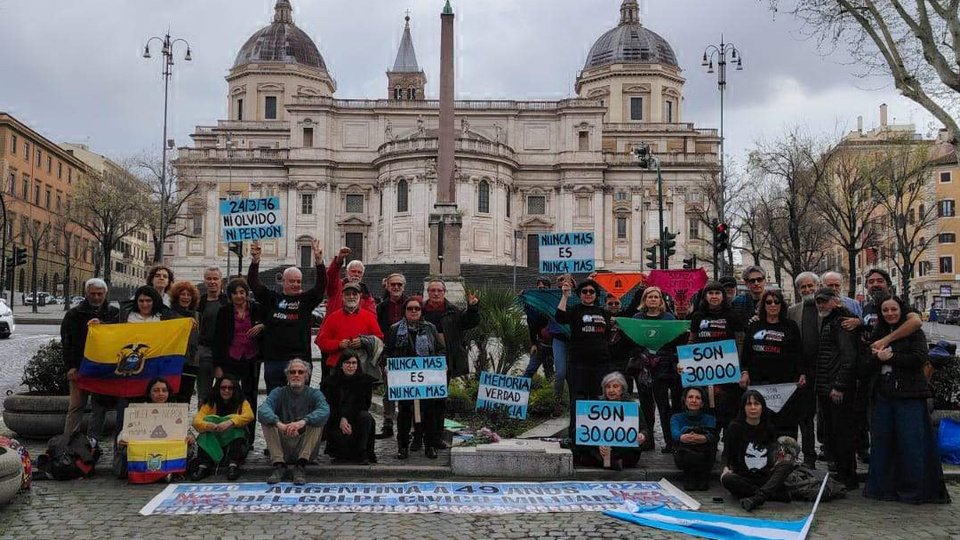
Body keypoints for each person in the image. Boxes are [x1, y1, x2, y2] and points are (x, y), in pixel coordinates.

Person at [864, 295, 950, 504]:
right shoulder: (878, 332)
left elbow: (920, 358)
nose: (890, 314)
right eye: (885, 310)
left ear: (901, 311)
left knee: (911, 443)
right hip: (883, 393)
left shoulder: (915, 333)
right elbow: (865, 364)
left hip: (909, 394)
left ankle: (913, 489)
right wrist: (876, 358)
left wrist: (892, 357)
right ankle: (883, 488)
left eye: (893, 309)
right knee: (883, 442)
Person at [248, 239, 326, 395]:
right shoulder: (272, 299)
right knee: (274, 401)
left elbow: (320, 288)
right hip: (274, 361)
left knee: (299, 402)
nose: (295, 285)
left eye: (298, 282)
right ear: (283, 281)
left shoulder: (305, 301)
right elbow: (254, 284)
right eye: (291, 281)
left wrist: (319, 262)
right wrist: (255, 262)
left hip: (299, 361)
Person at [421, 280, 480, 453]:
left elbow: (470, 322)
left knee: (439, 401)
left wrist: (473, 308)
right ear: (428, 292)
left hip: (444, 363)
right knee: (421, 402)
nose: (436, 293)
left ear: (444, 292)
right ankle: (419, 436)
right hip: (422, 362)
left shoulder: (452, 310)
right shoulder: (419, 309)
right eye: (432, 290)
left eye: (439, 290)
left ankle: (436, 437)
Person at [385, 296, 446, 459]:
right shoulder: (395, 329)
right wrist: (387, 365)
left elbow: (440, 350)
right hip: (404, 380)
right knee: (404, 414)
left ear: (421, 311)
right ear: (405, 311)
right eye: (410, 308)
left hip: (427, 380)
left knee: (429, 414)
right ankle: (403, 446)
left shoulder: (430, 328)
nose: (413, 311)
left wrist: (441, 364)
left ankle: (430, 445)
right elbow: (387, 351)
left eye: (417, 309)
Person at [740, 289, 805, 438]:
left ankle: (784, 455)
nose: (773, 305)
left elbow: (798, 352)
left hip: (784, 383)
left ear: (782, 305)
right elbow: (746, 353)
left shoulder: (790, 326)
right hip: (759, 381)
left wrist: (801, 373)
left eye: (777, 302)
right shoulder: (754, 326)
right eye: (769, 302)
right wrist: (744, 371)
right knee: (759, 419)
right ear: (764, 305)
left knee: (785, 421)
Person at [557, 279, 612, 448]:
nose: (588, 294)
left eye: (591, 291)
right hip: (578, 363)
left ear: (596, 295)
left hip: (600, 363)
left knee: (598, 399)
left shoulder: (604, 313)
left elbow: (608, 335)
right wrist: (565, 296)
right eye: (584, 291)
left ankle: (596, 437)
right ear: (580, 294)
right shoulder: (575, 310)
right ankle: (575, 437)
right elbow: (559, 317)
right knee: (578, 400)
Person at [62, 278, 120, 437]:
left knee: (99, 408)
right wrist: (71, 367)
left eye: (99, 294)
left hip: (104, 370)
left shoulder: (114, 314)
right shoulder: (74, 314)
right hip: (80, 368)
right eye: (92, 294)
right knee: (76, 407)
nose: (96, 297)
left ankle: (92, 444)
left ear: (105, 294)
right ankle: (69, 444)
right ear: (86, 294)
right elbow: (67, 342)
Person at [720, 390, 797, 512]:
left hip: (765, 476)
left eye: (756, 404)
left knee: (787, 465)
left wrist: (779, 459)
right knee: (727, 479)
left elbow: (773, 452)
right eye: (749, 404)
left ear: (762, 407)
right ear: (743, 407)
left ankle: (757, 498)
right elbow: (726, 454)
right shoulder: (734, 428)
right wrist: (725, 468)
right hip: (744, 477)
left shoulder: (769, 427)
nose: (753, 408)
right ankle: (771, 494)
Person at [814, 287, 859, 489]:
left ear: (835, 301)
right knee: (833, 433)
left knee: (842, 434)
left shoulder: (841, 322)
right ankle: (841, 474)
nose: (821, 304)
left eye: (824, 300)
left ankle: (847, 476)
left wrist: (839, 386)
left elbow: (848, 357)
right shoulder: (830, 320)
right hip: (827, 387)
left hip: (837, 389)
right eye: (818, 301)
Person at [257, 358, 330, 485]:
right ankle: (279, 465)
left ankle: (301, 466)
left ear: (306, 376)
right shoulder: (278, 392)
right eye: (293, 372)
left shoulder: (315, 393)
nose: (296, 375)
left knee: (318, 421)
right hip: (283, 443)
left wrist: (302, 422)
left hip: (305, 445)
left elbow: (324, 410)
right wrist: (280, 425)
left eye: (300, 372)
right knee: (267, 420)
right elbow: (263, 409)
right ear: (287, 375)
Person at [213, 278, 266, 446]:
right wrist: (218, 366)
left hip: (251, 358)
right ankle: (229, 433)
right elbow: (218, 340)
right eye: (235, 293)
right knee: (229, 395)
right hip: (231, 358)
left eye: (242, 292)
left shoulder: (256, 309)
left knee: (250, 397)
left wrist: (262, 326)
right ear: (230, 295)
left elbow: (270, 322)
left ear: (246, 293)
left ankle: (249, 437)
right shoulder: (224, 312)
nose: (239, 296)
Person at [687, 281, 743, 437]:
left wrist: (739, 364)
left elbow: (740, 341)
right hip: (703, 371)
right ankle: (710, 443)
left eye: (717, 293)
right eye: (710, 293)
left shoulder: (732, 316)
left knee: (727, 408)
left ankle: (728, 447)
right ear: (705, 296)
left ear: (723, 296)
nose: (714, 296)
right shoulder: (697, 316)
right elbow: (692, 341)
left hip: (728, 372)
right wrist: (684, 362)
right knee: (707, 409)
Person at [631, 286, 682, 453]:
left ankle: (669, 441)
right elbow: (633, 341)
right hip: (644, 367)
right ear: (644, 300)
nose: (653, 299)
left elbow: (675, 341)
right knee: (646, 406)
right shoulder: (637, 318)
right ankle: (648, 440)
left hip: (664, 367)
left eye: (656, 297)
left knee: (663, 406)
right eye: (649, 296)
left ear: (661, 300)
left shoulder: (669, 318)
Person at [114, 377, 194, 481]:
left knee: (189, 447)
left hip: (167, 450)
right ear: (149, 393)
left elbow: (186, 431)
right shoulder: (138, 411)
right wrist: (122, 440)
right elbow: (124, 432)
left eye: (164, 390)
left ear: (168, 393)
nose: (160, 394)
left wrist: (190, 438)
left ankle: (168, 472)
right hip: (144, 451)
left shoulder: (176, 411)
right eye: (156, 391)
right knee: (125, 449)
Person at [574, 372, 648, 470]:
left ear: (622, 389)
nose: (611, 390)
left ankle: (605, 463)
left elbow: (644, 429)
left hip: (622, 450)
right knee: (580, 449)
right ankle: (611, 463)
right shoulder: (596, 406)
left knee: (632, 453)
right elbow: (583, 431)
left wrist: (642, 435)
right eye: (608, 387)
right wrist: (598, 445)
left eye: (615, 386)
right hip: (600, 449)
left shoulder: (632, 406)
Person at [786, 272, 822, 469]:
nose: (808, 290)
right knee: (804, 416)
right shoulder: (793, 311)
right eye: (803, 287)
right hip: (802, 371)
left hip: (824, 368)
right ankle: (808, 456)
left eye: (811, 286)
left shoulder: (826, 308)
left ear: (818, 286)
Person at [191, 374, 254, 481]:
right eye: (223, 388)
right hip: (215, 438)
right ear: (218, 389)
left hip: (234, 441)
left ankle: (233, 465)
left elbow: (249, 415)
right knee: (204, 433)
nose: (226, 390)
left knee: (237, 429)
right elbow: (196, 421)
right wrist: (209, 426)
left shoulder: (242, 402)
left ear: (235, 389)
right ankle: (204, 466)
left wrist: (231, 422)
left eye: (230, 388)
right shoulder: (210, 403)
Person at [316, 282, 384, 380]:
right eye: (347, 294)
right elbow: (321, 342)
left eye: (354, 294)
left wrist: (363, 341)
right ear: (342, 297)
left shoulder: (369, 317)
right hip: (337, 369)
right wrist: (338, 344)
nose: (351, 297)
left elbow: (379, 338)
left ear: (359, 296)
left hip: (362, 369)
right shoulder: (333, 317)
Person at [321, 349, 379, 464]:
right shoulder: (330, 383)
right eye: (347, 363)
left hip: (356, 417)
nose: (351, 366)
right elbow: (329, 405)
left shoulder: (364, 381)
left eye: (354, 363)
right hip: (336, 418)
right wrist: (340, 418)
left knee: (366, 417)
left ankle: (362, 453)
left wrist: (346, 417)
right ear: (341, 365)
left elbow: (363, 404)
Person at [375, 273, 408, 439]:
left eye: (399, 285)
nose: (396, 287)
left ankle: (405, 423)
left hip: (407, 354)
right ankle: (387, 422)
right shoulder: (381, 307)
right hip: (389, 352)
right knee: (389, 389)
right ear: (387, 286)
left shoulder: (411, 304)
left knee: (406, 390)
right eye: (393, 284)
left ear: (404, 286)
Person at [671, 386, 718, 491]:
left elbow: (711, 435)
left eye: (698, 398)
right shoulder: (676, 418)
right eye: (690, 397)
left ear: (702, 403)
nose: (694, 400)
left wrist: (701, 437)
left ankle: (702, 477)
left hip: (705, 454)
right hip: (685, 454)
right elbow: (675, 434)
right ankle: (690, 477)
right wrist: (688, 434)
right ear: (685, 401)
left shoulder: (710, 418)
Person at [197, 266, 229, 402]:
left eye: (215, 279)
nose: (212, 282)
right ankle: (202, 421)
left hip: (224, 352)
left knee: (225, 392)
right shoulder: (199, 302)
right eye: (209, 279)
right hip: (204, 352)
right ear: (204, 281)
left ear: (221, 281)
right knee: (204, 393)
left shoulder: (228, 302)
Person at [168, 280, 202, 403]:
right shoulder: (169, 315)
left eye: (188, 295)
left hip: (191, 362)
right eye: (182, 294)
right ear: (177, 296)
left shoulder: (197, 315)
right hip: (173, 360)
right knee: (171, 395)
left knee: (185, 396)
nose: (186, 297)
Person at [521, 277, 555, 381]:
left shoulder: (555, 302)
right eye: (539, 287)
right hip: (541, 344)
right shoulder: (533, 305)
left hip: (556, 344)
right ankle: (522, 394)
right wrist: (534, 343)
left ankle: (553, 395)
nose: (541, 289)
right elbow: (531, 324)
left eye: (544, 287)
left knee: (550, 371)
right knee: (530, 370)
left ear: (549, 288)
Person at [325, 246, 376, 314]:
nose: (356, 274)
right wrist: (339, 260)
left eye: (359, 272)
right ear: (347, 272)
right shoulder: (337, 287)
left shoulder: (366, 295)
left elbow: (371, 316)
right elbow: (331, 276)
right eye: (353, 271)